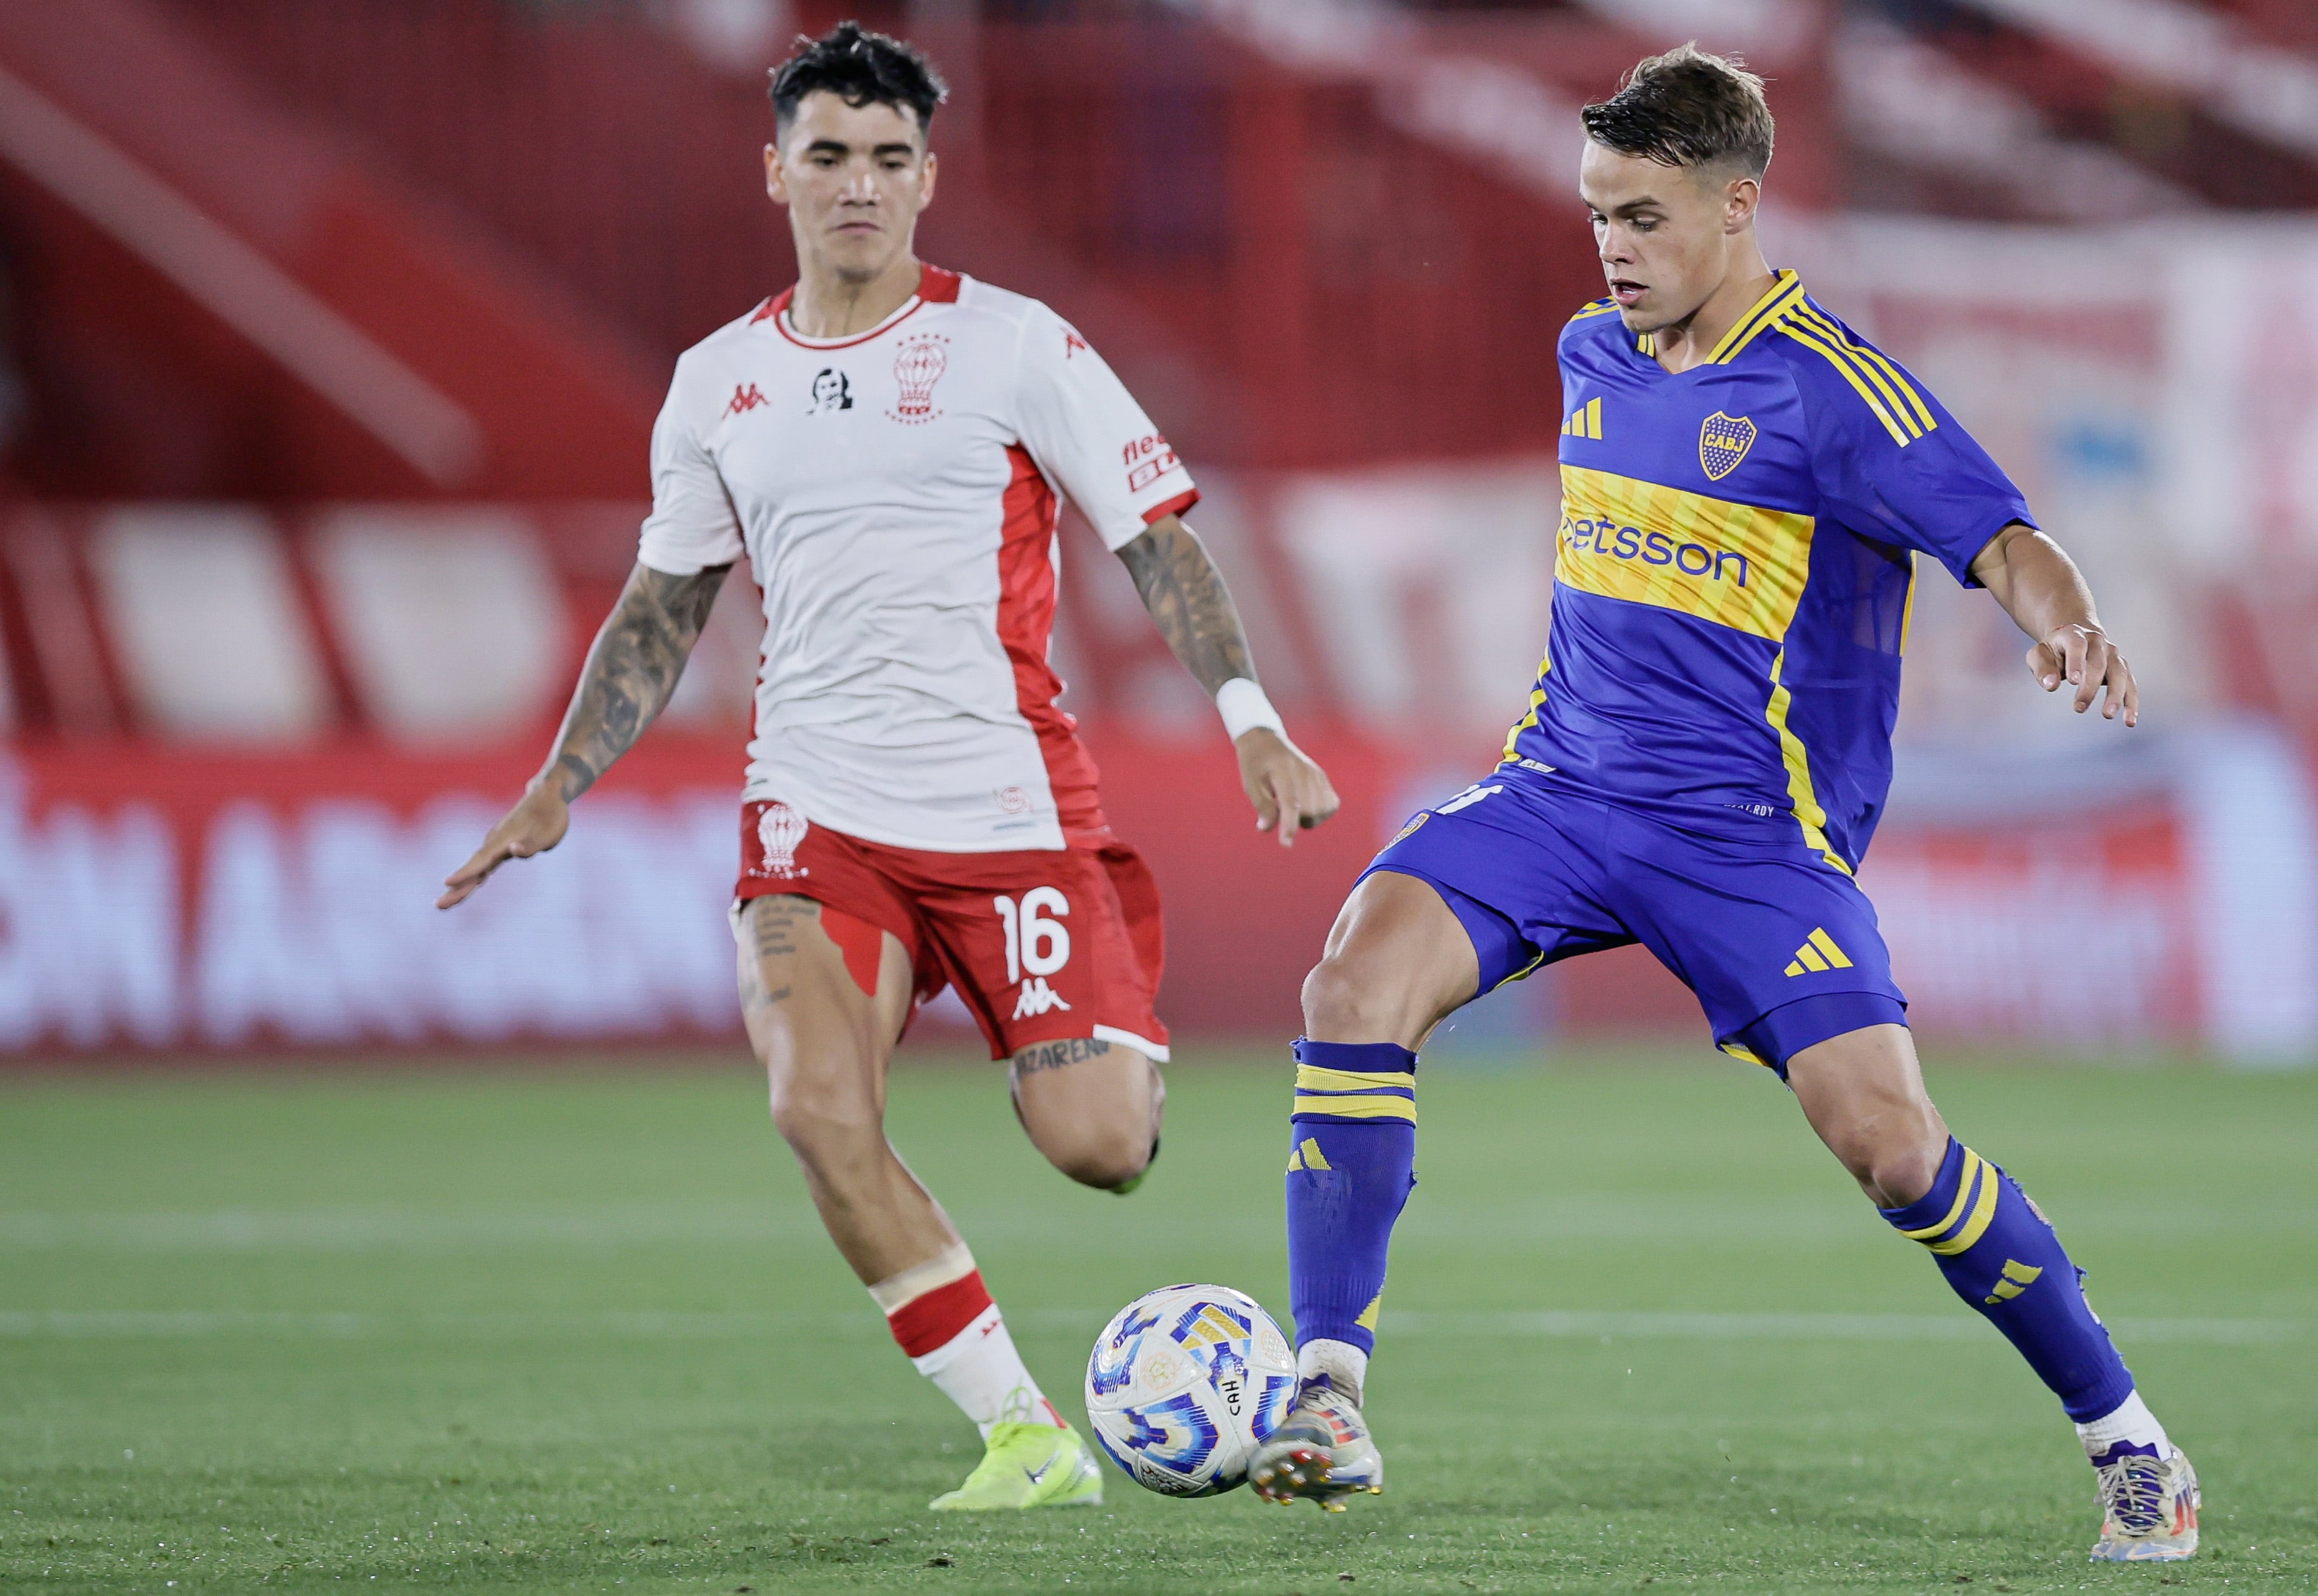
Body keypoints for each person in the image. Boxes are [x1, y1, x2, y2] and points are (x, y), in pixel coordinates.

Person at [1248, 45, 2196, 1565]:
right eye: (1594, 214)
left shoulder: (1831, 389)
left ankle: (2129, 1440)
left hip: (1748, 839)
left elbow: (2001, 532)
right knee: (1357, 971)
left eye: (1640, 214)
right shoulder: (1592, 354)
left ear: (1735, 204)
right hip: (1561, 788)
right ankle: (1329, 1386)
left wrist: (2063, 621)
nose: (1611, 247)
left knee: (1894, 1150)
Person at [438, 22, 1337, 1513]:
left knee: (1102, 1148)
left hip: (1009, 814)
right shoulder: (716, 384)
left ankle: (1096, 1048)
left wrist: (1250, 711)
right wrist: (561, 780)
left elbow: (1156, 541)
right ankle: (1025, 1436)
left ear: (930, 176)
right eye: (831, 155)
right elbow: (666, 606)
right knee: (814, 1110)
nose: (860, 184)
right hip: (816, 821)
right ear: (776, 169)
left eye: (890, 159)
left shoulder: (1016, 344)